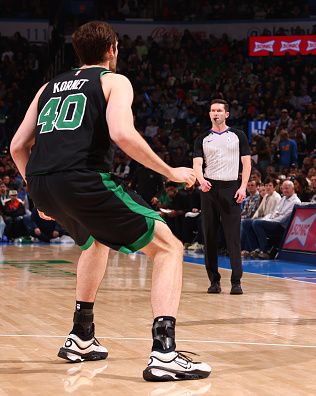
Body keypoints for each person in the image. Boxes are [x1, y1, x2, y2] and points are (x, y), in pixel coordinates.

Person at [9, 21, 211, 381]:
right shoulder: (114, 81)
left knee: (96, 240)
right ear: (113, 49)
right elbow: (121, 133)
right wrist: (169, 171)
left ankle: (82, 336)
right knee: (169, 247)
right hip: (82, 178)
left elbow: (16, 146)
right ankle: (164, 353)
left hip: (41, 181)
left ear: (78, 54)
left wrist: (36, 189)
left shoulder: (47, 88)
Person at [193, 99, 251, 295]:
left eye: (219, 110)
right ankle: (214, 281)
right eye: (212, 110)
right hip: (209, 189)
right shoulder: (202, 138)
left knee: (232, 237)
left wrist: (243, 187)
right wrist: (201, 180)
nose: (215, 113)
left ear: (227, 114)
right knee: (209, 236)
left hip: (231, 188)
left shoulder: (238, 136)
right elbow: (197, 164)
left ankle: (236, 282)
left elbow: (247, 164)